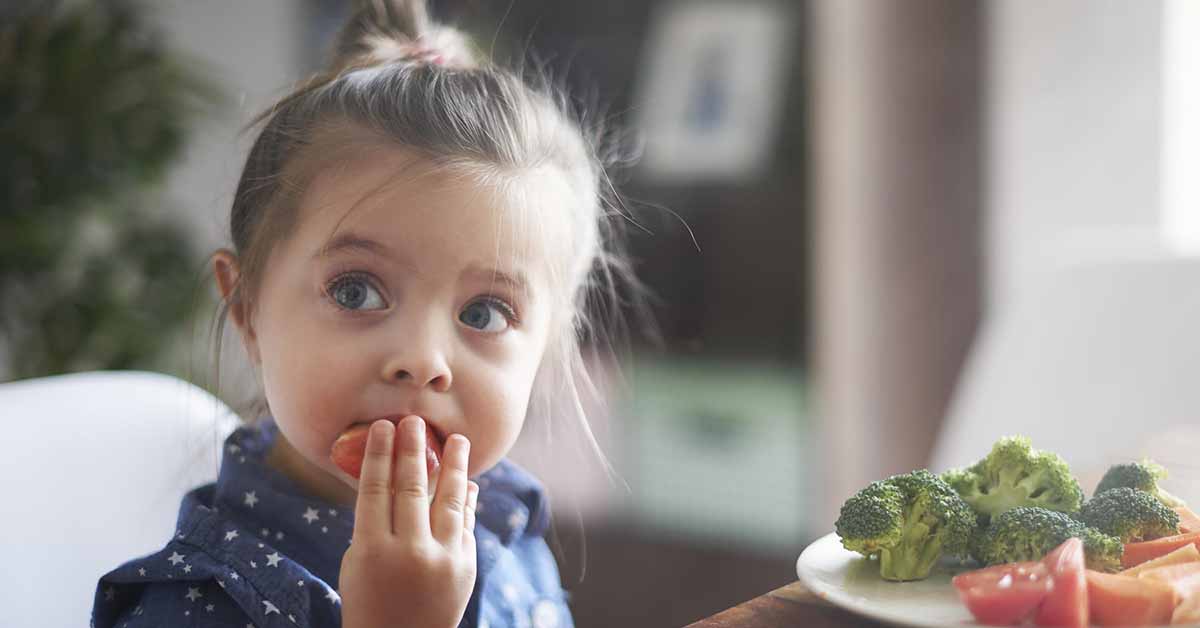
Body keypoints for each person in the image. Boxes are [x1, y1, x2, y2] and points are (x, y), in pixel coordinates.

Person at [91, 1, 641, 626]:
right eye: (356, 291)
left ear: (545, 344)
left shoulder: (510, 526)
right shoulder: (195, 604)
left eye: (485, 313)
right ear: (247, 311)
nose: (422, 361)